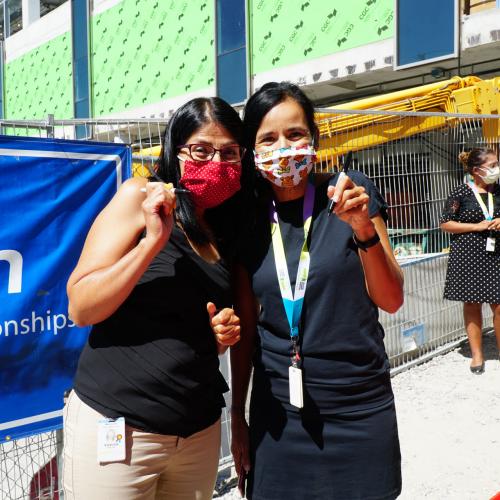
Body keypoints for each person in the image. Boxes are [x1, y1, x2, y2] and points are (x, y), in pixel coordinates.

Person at [63, 96, 251, 499]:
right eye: (201, 150)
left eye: (229, 152)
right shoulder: (139, 197)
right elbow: (80, 307)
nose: (216, 163)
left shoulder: (222, 226)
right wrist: (151, 243)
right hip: (120, 426)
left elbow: (183, 325)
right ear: (175, 149)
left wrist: (218, 333)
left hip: (197, 432)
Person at [230, 82, 404, 500]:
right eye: (268, 138)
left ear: (313, 137)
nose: (283, 148)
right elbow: (248, 330)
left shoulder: (347, 193)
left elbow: (392, 298)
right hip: (280, 416)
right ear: (253, 152)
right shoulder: (247, 219)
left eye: (295, 134)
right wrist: (237, 414)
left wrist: (362, 227)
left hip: (359, 405)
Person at [440, 147, 500, 375]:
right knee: (472, 304)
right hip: (468, 255)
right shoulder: (460, 193)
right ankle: (477, 355)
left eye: (497, 164)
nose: (496, 169)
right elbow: (445, 223)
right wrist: (477, 226)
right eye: (492, 165)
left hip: (496, 253)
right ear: (476, 170)